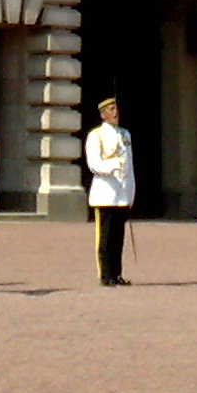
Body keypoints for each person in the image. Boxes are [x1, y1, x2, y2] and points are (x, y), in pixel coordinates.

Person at [85, 95, 135, 285]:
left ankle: (117, 273)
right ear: (103, 114)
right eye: (111, 110)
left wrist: (131, 192)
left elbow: (129, 166)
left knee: (118, 238)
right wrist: (113, 165)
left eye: (116, 109)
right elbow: (94, 164)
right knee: (105, 238)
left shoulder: (125, 134)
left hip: (121, 194)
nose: (115, 113)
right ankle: (105, 275)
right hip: (105, 194)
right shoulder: (96, 135)